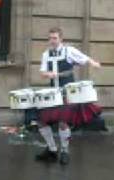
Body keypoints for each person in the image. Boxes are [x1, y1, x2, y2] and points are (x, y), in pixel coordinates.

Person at [37, 27, 101, 165]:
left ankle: (65, 151)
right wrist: (48, 74)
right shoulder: (46, 54)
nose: (52, 41)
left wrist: (94, 63)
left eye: (54, 38)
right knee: (41, 121)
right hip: (52, 93)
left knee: (63, 122)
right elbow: (42, 72)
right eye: (50, 38)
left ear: (61, 39)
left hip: (67, 92)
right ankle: (52, 149)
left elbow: (84, 58)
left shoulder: (69, 51)